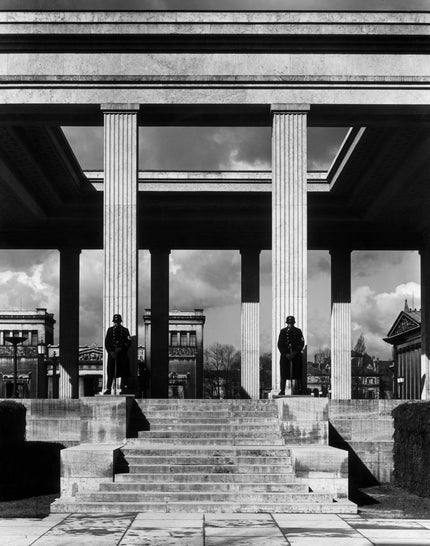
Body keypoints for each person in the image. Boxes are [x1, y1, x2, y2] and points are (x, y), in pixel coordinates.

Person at [277, 315, 305, 396]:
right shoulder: (283, 332)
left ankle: (300, 389)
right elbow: (280, 344)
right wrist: (286, 354)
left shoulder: (298, 331)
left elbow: (301, 343)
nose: (290, 325)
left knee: (298, 372)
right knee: (284, 373)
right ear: (287, 323)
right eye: (289, 323)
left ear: (293, 323)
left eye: (291, 323)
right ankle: (282, 390)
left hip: (296, 355)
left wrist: (295, 353)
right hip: (285, 356)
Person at [104, 313, 131, 395]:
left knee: (124, 371)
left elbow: (128, 342)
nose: (116, 323)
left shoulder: (125, 330)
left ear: (120, 322)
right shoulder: (110, 330)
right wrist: (111, 351)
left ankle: (124, 388)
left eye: (117, 322)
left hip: (122, 354)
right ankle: (108, 388)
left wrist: (121, 348)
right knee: (110, 371)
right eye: (115, 322)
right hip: (112, 354)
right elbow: (107, 342)